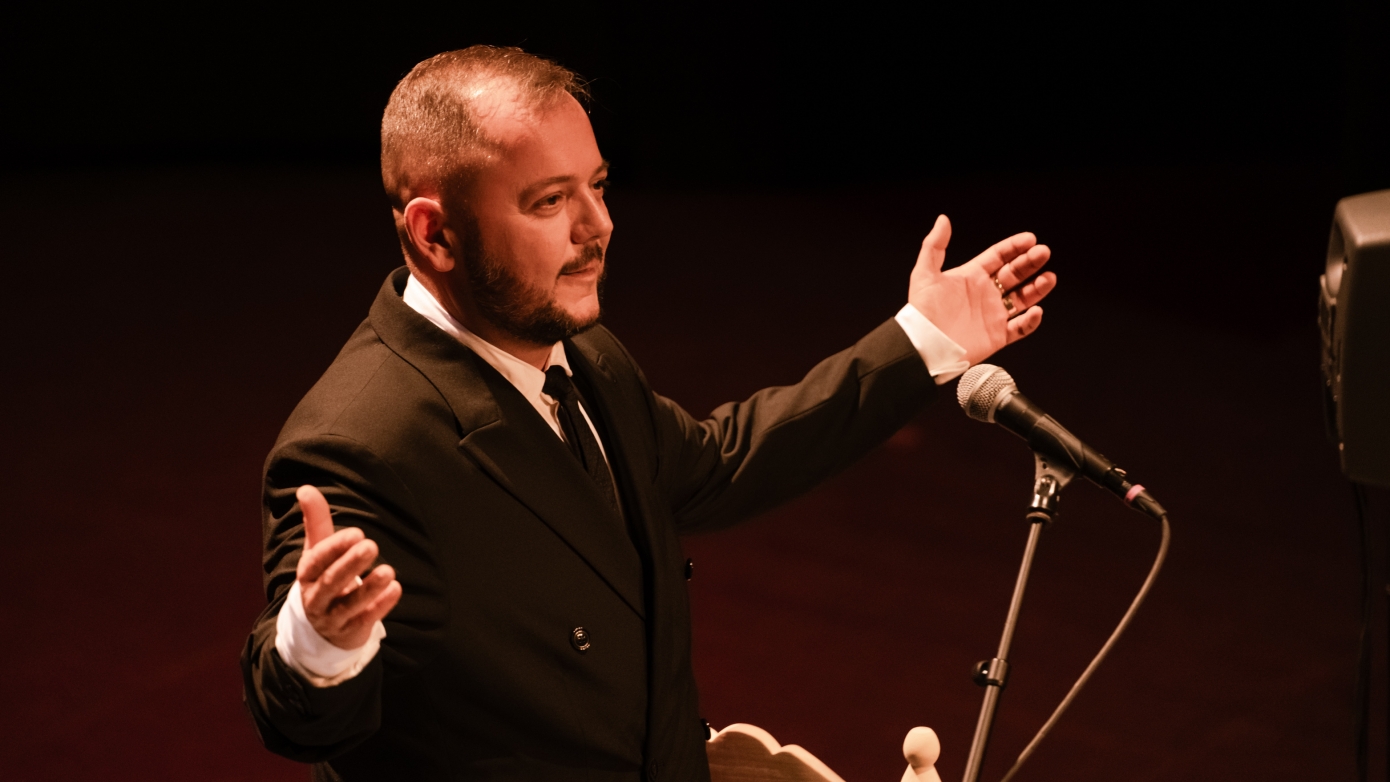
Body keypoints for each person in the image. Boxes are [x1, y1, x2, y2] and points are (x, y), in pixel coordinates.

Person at [240, 46, 1056, 782]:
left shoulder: (582, 355)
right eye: (550, 201)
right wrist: (320, 640)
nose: (599, 227)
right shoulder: (362, 445)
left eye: (596, 186)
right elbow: (297, 718)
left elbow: (717, 463)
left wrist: (922, 342)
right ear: (436, 233)